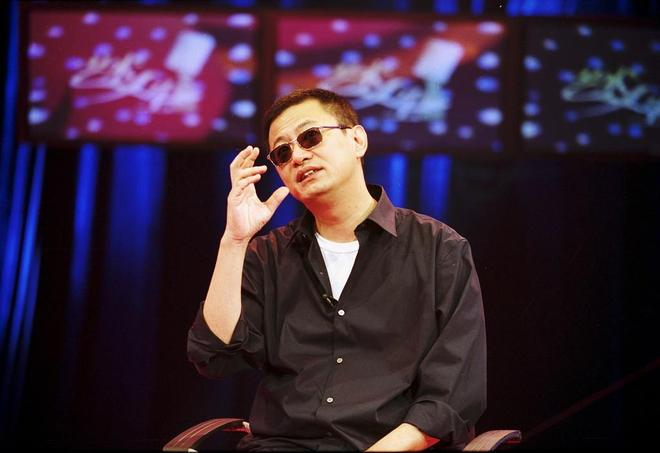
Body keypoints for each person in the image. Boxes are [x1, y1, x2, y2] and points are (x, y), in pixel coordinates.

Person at [187, 88, 486, 451]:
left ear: (357, 140)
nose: (298, 156)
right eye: (282, 153)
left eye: (310, 137)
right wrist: (234, 241)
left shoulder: (439, 248)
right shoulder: (268, 256)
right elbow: (214, 356)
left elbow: (451, 398)